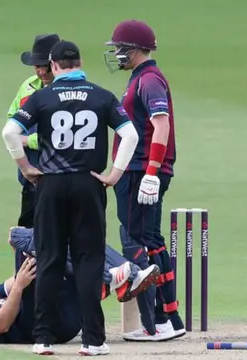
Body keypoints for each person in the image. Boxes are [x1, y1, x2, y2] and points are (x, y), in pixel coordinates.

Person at [1, 40, 140, 356]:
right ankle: (93, 340)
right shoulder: (101, 95)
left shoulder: (41, 96)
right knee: (88, 260)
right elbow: (130, 134)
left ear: (52, 66)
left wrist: (26, 166)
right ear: (79, 63)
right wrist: (114, 175)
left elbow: (10, 131)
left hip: (50, 186)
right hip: (88, 184)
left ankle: (43, 338)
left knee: (48, 258)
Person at [0, 230, 160, 352]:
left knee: (66, 236)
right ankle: (108, 279)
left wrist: (29, 266)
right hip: (41, 326)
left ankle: (131, 276)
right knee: (23, 238)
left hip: (63, 315)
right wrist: (22, 283)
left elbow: (13, 282)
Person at [102, 19, 185, 341]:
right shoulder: (140, 78)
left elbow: (160, 126)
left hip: (142, 172)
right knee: (150, 239)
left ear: (135, 49)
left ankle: (162, 321)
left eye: (120, 49)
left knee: (143, 240)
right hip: (137, 171)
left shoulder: (149, 80)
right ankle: (169, 318)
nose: (117, 54)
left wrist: (151, 172)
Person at [7, 33, 60, 227]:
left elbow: (61, 133)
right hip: (30, 175)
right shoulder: (28, 86)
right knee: (27, 232)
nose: (40, 72)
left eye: (44, 66)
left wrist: (27, 140)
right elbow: (12, 116)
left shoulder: (66, 90)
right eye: (36, 66)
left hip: (55, 175)